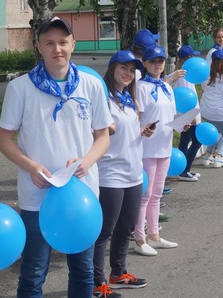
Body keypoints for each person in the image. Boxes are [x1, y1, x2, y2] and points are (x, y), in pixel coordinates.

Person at [0, 17, 112, 298]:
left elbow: (103, 136)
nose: (57, 49)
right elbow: (4, 140)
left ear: (73, 44)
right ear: (38, 46)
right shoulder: (20, 88)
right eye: (49, 43)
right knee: (34, 271)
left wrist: (86, 161)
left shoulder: (90, 85)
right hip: (38, 196)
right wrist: (31, 166)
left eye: (63, 42)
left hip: (82, 195)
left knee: (83, 270)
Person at [93, 51, 154, 298]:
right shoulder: (103, 98)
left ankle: (118, 274)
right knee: (105, 231)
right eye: (123, 68)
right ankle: (96, 282)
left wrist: (142, 131)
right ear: (112, 69)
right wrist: (105, 127)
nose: (128, 73)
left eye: (132, 70)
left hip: (133, 172)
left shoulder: (129, 99)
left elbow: (125, 132)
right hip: (110, 173)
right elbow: (97, 129)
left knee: (127, 226)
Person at [133, 45, 181, 257]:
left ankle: (154, 235)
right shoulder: (141, 87)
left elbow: (170, 116)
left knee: (157, 194)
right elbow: (136, 118)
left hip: (164, 147)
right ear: (144, 63)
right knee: (145, 195)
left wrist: (182, 124)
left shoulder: (167, 87)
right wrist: (141, 131)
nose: (157, 65)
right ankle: (139, 238)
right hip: (146, 149)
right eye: (152, 61)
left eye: (160, 61)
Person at [172, 45, 202, 181]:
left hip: (187, 115)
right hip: (189, 115)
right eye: (193, 56)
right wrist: (193, 117)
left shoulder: (183, 74)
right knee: (196, 142)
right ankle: (185, 170)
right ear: (189, 58)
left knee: (185, 141)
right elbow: (186, 98)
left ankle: (182, 169)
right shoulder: (184, 76)